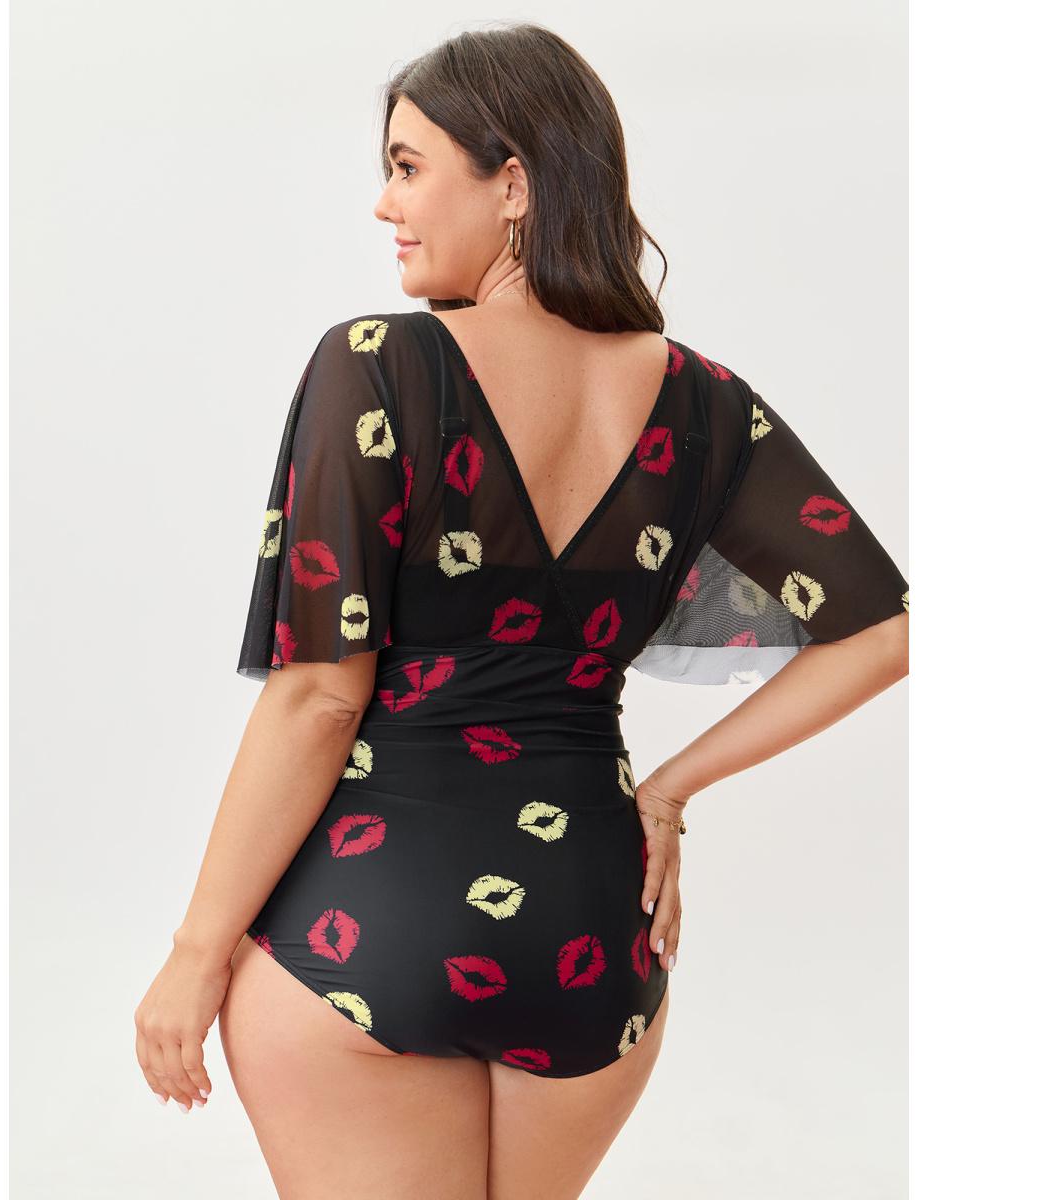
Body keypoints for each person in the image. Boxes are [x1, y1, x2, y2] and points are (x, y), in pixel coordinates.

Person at [134, 22, 909, 1199]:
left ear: (514, 185)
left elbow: (319, 698)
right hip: (594, 935)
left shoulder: (378, 364)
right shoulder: (707, 405)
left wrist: (195, 954)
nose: (386, 205)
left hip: (374, 916)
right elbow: (886, 629)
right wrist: (667, 790)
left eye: (407, 167)